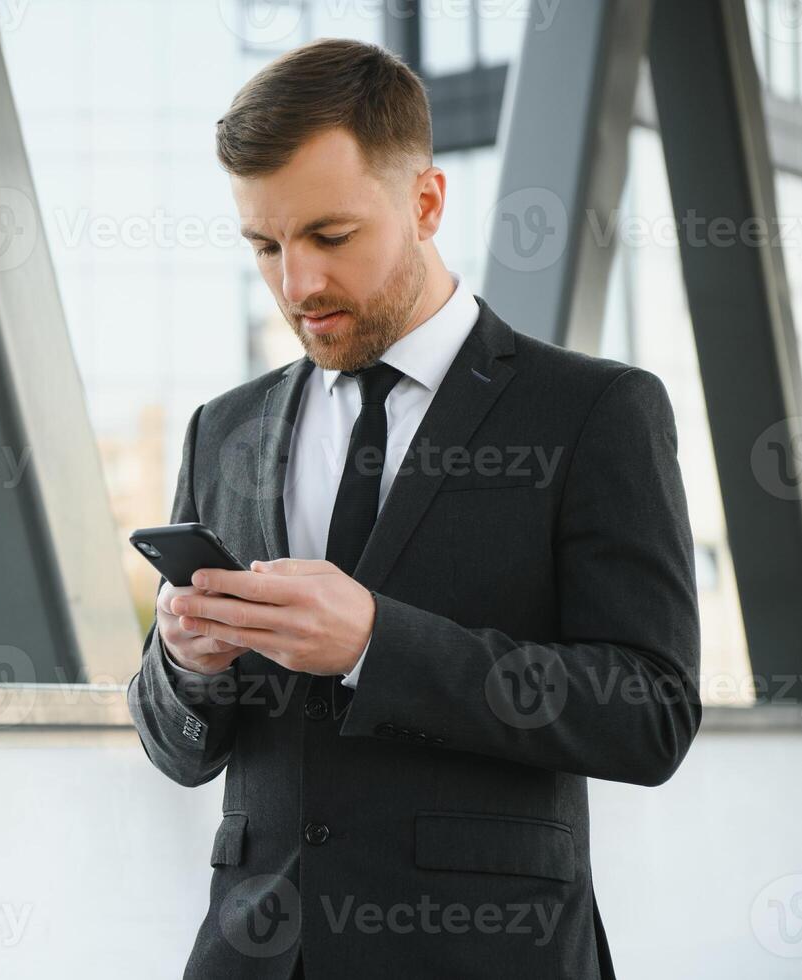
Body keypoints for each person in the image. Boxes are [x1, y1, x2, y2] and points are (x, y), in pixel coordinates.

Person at [126, 37, 701, 979]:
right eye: (265, 246)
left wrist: (374, 646)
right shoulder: (220, 430)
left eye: (330, 236)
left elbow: (649, 713)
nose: (296, 285)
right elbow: (179, 753)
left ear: (426, 202)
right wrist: (185, 662)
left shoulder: (592, 411)